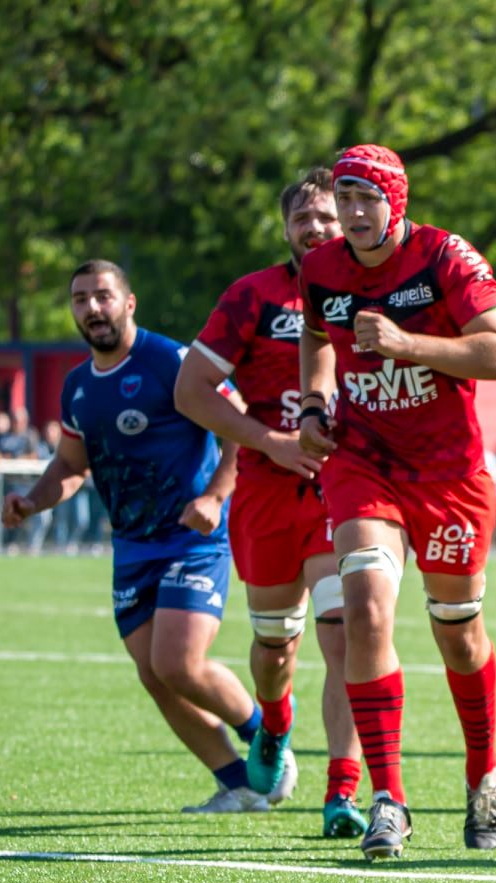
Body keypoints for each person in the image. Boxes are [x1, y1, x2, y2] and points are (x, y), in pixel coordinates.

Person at [297, 144, 496, 860]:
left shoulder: (446, 257)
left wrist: (407, 344)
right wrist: (313, 402)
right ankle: (387, 799)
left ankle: (482, 772)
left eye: (368, 199)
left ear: (397, 201)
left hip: (450, 473)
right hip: (364, 463)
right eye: (345, 199)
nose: (354, 214)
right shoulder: (323, 267)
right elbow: (315, 333)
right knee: (364, 604)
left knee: (457, 631)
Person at [3, 261, 268, 811]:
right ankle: (239, 782)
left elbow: (240, 424)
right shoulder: (78, 388)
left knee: (178, 662)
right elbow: (71, 467)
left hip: (192, 538)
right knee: (154, 675)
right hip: (132, 549)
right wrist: (31, 501)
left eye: (103, 296)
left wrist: (216, 497)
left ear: (129, 303)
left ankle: (269, 738)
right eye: (80, 299)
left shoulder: (172, 362)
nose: (92, 308)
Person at [176, 166, 367, 838]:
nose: (315, 227)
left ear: (349, 220)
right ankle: (273, 724)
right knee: (273, 644)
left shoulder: (379, 292)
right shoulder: (252, 296)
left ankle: (342, 791)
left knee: (344, 630)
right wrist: (271, 440)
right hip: (265, 490)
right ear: (286, 228)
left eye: (327, 215)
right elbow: (191, 388)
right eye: (303, 218)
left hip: (345, 485)